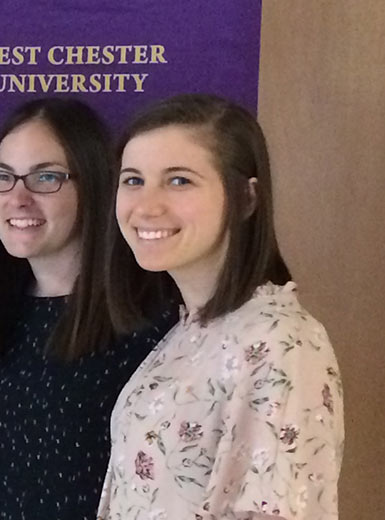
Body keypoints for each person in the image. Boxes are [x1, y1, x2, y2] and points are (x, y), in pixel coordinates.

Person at [99, 94, 344, 520]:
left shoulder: (282, 341)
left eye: (179, 181)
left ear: (247, 199)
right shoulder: (187, 333)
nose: (147, 205)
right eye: (133, 180)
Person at [0, 98, 176, 519]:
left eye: (45, 177)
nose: (18, 198)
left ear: (96, 184)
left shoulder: (151, 320)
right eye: (3, 178)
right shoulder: (9, 311)